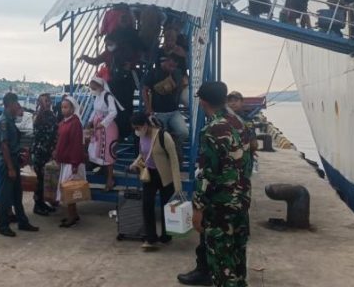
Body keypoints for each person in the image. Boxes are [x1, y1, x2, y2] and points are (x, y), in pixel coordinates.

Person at [189, 81, 251, 287]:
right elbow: (248, 162)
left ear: (203, 102)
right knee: (238, 257)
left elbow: (208, 174)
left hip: (220, 206)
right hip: (241, 200)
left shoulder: (211, 130)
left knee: (221, 263)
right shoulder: (240, 123)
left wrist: (198, 208)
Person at [130, 112, 182, 250]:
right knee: (147, 205)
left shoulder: (163, 136)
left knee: (167, 207)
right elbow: (142, 154)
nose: (137, 131)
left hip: (165, 175)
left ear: (145, 125)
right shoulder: (141, 137)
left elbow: (174, 160)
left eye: (138, 127)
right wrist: (135, 163)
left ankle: (166, 236)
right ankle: (150, 237)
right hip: (149, 174)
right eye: (135, 128)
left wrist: (177, 185)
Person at [0, 92, 39, 237]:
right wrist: (10, 168)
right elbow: (4, 146)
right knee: (5, 196)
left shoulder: (10, 119)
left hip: (13, 160)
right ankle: (3, 225)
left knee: (17, 193)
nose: (18, 106)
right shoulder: (4, 121)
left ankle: (22, 221)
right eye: (16, 104)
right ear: (10, 104)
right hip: (7, 163)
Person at [143, 55, 189, 159]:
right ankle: (167, 151)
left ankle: (173, 146)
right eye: (171, 63)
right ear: (164, 62)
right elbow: (144, 90)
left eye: (175, 64)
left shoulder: (177, 73)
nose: (173, 66)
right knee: (160, 137)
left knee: (184, 132)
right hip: (158, 112)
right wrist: (148, 107)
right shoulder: (153, 73)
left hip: (174, 111)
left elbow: (184, 83)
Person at [53, 96, 86, 228]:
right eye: (62, 107)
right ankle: (74, 214)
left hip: (72, 162)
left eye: (66, 107)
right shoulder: (64, 122)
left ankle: (71, 216)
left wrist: (74, 163)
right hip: (65, 161)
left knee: (69, 189)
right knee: (68, 188)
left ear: (72, 109)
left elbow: (76, 144)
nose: (63, 110)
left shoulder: (75, 123)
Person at [87, 77, 122, 191]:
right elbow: (95, 111)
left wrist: (103, 123)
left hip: (108, 128)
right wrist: (90, 121)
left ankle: (110, 180)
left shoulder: (108, 96)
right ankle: (103, 171)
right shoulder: (97, 96)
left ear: (100, 86)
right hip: (99, 127)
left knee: (107, 154)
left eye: (94, 88)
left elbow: (113, 112)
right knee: (97, 150)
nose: (92, 90)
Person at [31, 93, 58, 216]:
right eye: (45, 101)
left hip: (48, 151)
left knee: (45, 179)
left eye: (49, 100)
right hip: (40, 151)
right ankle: (37, 205)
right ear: (40, 103)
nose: (48, 103)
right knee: (39, 180)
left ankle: (42, 203)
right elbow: (40, 135)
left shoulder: (51, 115)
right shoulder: (39, 116)